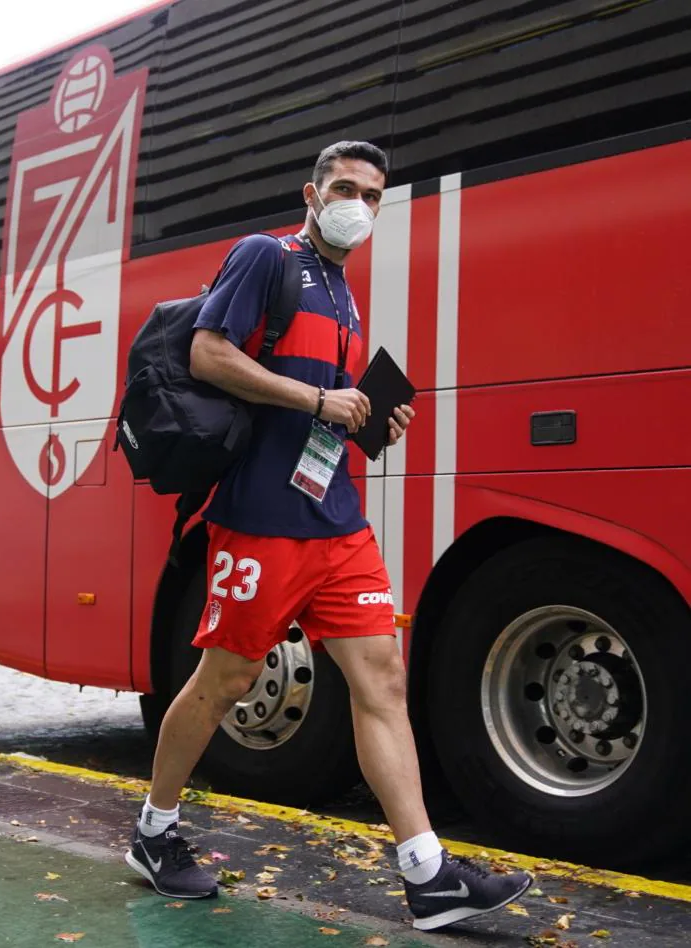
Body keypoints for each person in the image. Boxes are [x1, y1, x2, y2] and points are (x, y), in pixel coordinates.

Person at [125, 141, 531, 931]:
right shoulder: (263, 257)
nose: (358, 202)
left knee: (381, 679)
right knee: (224, 684)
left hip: (337, 518)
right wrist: (319, 402)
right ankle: (154, 831)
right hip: (262, 521)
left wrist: (371, 418)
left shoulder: (343, 291)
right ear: (310, 193)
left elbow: (328, 404)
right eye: (343, 186)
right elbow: (210, 355)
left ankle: (427, 874)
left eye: (371, 193)